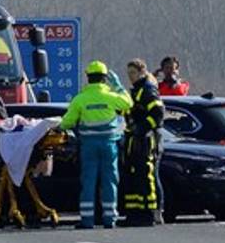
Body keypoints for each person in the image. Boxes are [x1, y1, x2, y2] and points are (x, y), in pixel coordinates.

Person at [59, 61, 133, 230]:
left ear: (88, 78)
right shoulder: (111, 97)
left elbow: (67, 122)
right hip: (109, 145)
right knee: (110, 181)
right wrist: (118, 85)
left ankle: (87, 220)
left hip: (89, 146)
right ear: (105, 78)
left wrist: (58, 127)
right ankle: (110, 218)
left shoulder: (80, 99)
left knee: (88, 181)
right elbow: (128, 103)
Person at [121, 60, 164, 227]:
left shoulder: (147, 90)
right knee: (134, 177)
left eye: (133, 73)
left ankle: (148, 213)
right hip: (134, 139)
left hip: (145, 140)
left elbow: (158, 114)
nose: (130, 77)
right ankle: (134, 213)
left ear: (142, 72)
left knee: (145, 176)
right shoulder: (136, 91)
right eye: (129, 73)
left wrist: (141, 128)